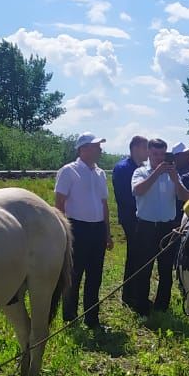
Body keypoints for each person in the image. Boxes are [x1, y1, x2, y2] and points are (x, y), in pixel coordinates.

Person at [55, 132, 113, 330]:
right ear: (83, 149)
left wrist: (107, 233)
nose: (100, 149)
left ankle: (92, 318)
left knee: (95, 275)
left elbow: (104, 204)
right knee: (74, 274)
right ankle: (70, 317)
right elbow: (59, 203)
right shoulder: (69, 171)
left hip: (97, 228)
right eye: (96, 146)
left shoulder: (100, 173)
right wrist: (63, 232)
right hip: (76, 227)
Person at [130, 138, 189, 316]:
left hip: (167, 228)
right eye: (155, 154)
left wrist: (175, 179)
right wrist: (155, 173)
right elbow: (138, 191)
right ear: (149, 153)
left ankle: (162, 306)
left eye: (162, 154)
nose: (158, 158)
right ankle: (142, 306)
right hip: (146, 226)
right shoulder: (140, 171)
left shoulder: (173, 174)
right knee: (144, 268)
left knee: (165, 269)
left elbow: (184, 196)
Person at [113, 136, 149, 310]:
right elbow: (125, 196)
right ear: (135, 148)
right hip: (131, 218)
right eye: (145, 148)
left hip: (141, 217)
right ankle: (129, 295)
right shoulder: (123, 168)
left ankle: (135, 293)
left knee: (139, 255)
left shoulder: (140, 168)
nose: (148, 151)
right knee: (135, 255)